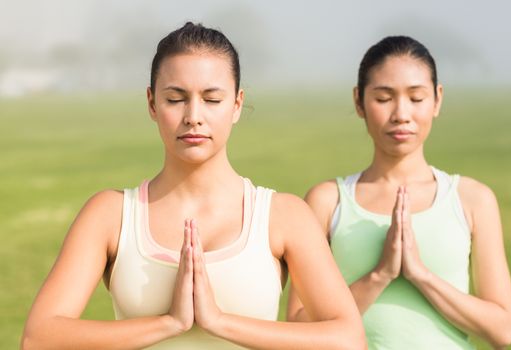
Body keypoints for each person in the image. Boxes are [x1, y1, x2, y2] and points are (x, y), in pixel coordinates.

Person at [21, 22, 366, 349]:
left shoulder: (284, 216)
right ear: (152, 104)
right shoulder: (110, 215)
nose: (193, 116)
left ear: (237, 104)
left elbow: (348, 339)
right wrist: (168, 323)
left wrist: (219, 322)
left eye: (212, 99)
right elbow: (39, 338)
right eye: (175, 99)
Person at [287, 36, 511, 349]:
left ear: (437, 100)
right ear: (358, 101)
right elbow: (297, 328)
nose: (401, 114)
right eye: (383, 98)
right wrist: (380, 275)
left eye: (416, 98)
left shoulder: (473, 200)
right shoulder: (327, 201)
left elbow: (502, 331)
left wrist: (421, 275)